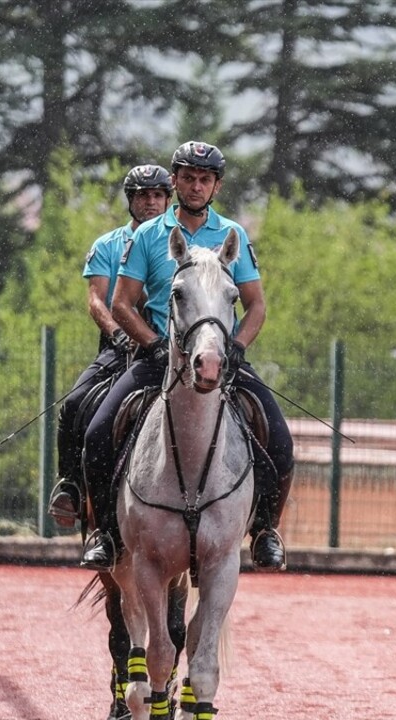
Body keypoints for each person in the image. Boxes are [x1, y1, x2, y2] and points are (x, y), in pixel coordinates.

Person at [79, 141, 294, 571]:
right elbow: (122, 302)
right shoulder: (146, 236)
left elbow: (255, 306)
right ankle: (104, 532)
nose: (196, 187)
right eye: (189, 178)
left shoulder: (233, 235)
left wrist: (236, 348)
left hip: (220, 357)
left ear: (216, 185)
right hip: (159, 357)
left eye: (205, 179)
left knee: (280, 438)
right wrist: (153, 343)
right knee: (97, 434)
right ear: (174, 181)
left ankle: (266, 530)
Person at [48, 165, 172, 527]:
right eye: (142, 196)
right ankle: (71, 485)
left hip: (173, 346)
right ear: (130, 201)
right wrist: (118, 333)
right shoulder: (108, 244)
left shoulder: (181, 242)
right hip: (121, 348)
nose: (150, 202)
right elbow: (97, 300)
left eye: (157, 196)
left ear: (168, 199)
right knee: (73, 404)